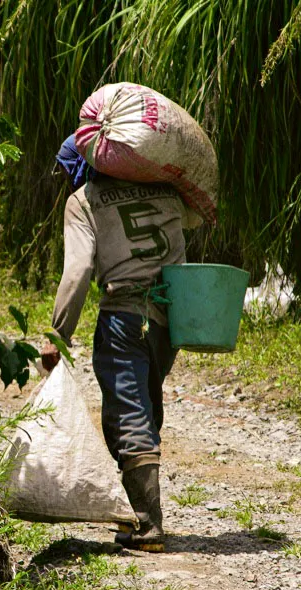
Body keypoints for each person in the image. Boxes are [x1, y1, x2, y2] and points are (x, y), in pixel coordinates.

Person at [40, 134, 193, 552]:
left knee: (126, 415)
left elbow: (78, 271)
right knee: (145, 403)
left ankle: (148, 526)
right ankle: (143, 510)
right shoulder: (166, 195)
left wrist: (57, 335)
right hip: (167, 320)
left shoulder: (85, 201)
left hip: (123, 319)